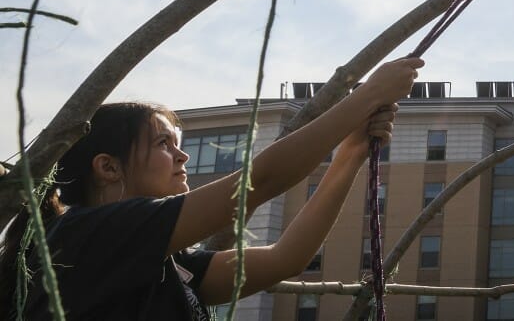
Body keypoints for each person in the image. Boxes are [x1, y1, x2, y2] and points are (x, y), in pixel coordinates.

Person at [0, 57, 423, 320]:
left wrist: (349, 154)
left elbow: (285, 258)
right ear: (108, 167)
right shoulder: (77, 236)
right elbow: (260, 183)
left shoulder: (165, 260)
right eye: (164, 145)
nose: (182, 158)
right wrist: (366, 98)